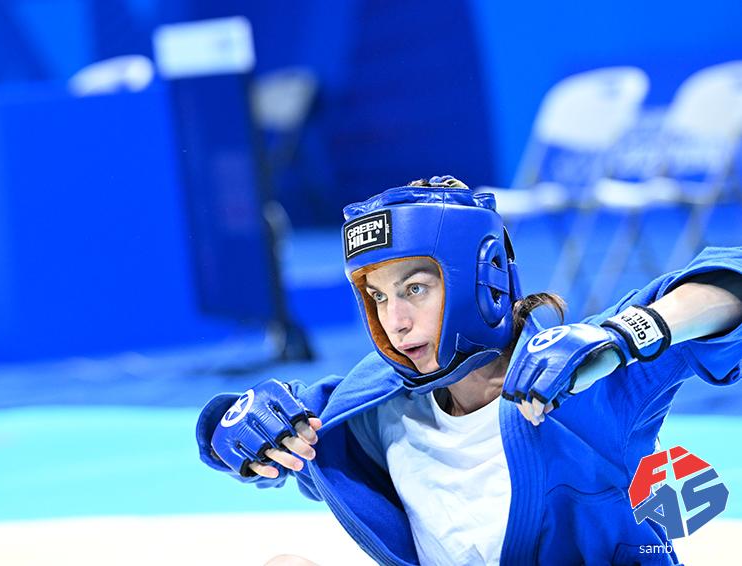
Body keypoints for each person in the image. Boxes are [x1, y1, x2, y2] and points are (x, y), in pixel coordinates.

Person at [196, 176, 742, 565]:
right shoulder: (374, 402)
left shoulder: (585, 375)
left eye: (415, 288)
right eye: (379, 297)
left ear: (484, 278)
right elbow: (239, 443)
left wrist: (628, 334)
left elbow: (731, 280)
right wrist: (241, 428)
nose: (395, 321)